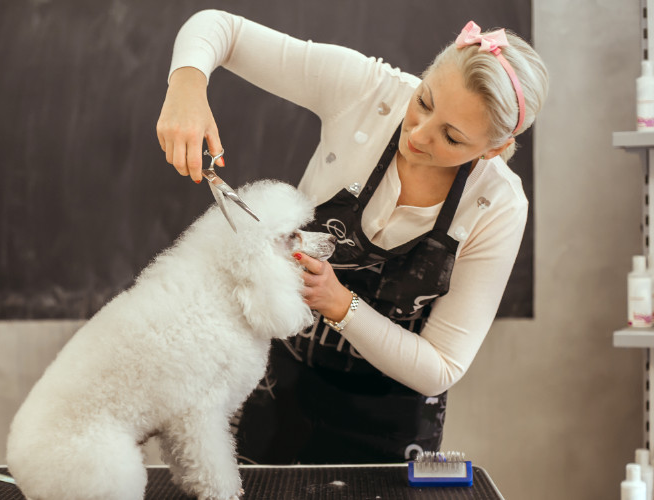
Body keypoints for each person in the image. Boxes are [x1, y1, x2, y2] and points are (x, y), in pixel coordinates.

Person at [156, 9, 548, 464]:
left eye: (452, 138)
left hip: (390, 418)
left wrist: (341, 305)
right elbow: (219, 28)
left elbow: (440, 366)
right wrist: (186, 85)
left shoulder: (498, 207)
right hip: (278, 380)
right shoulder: (368, 91)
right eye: (423, 101)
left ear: (495, 148)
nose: (418, 135)